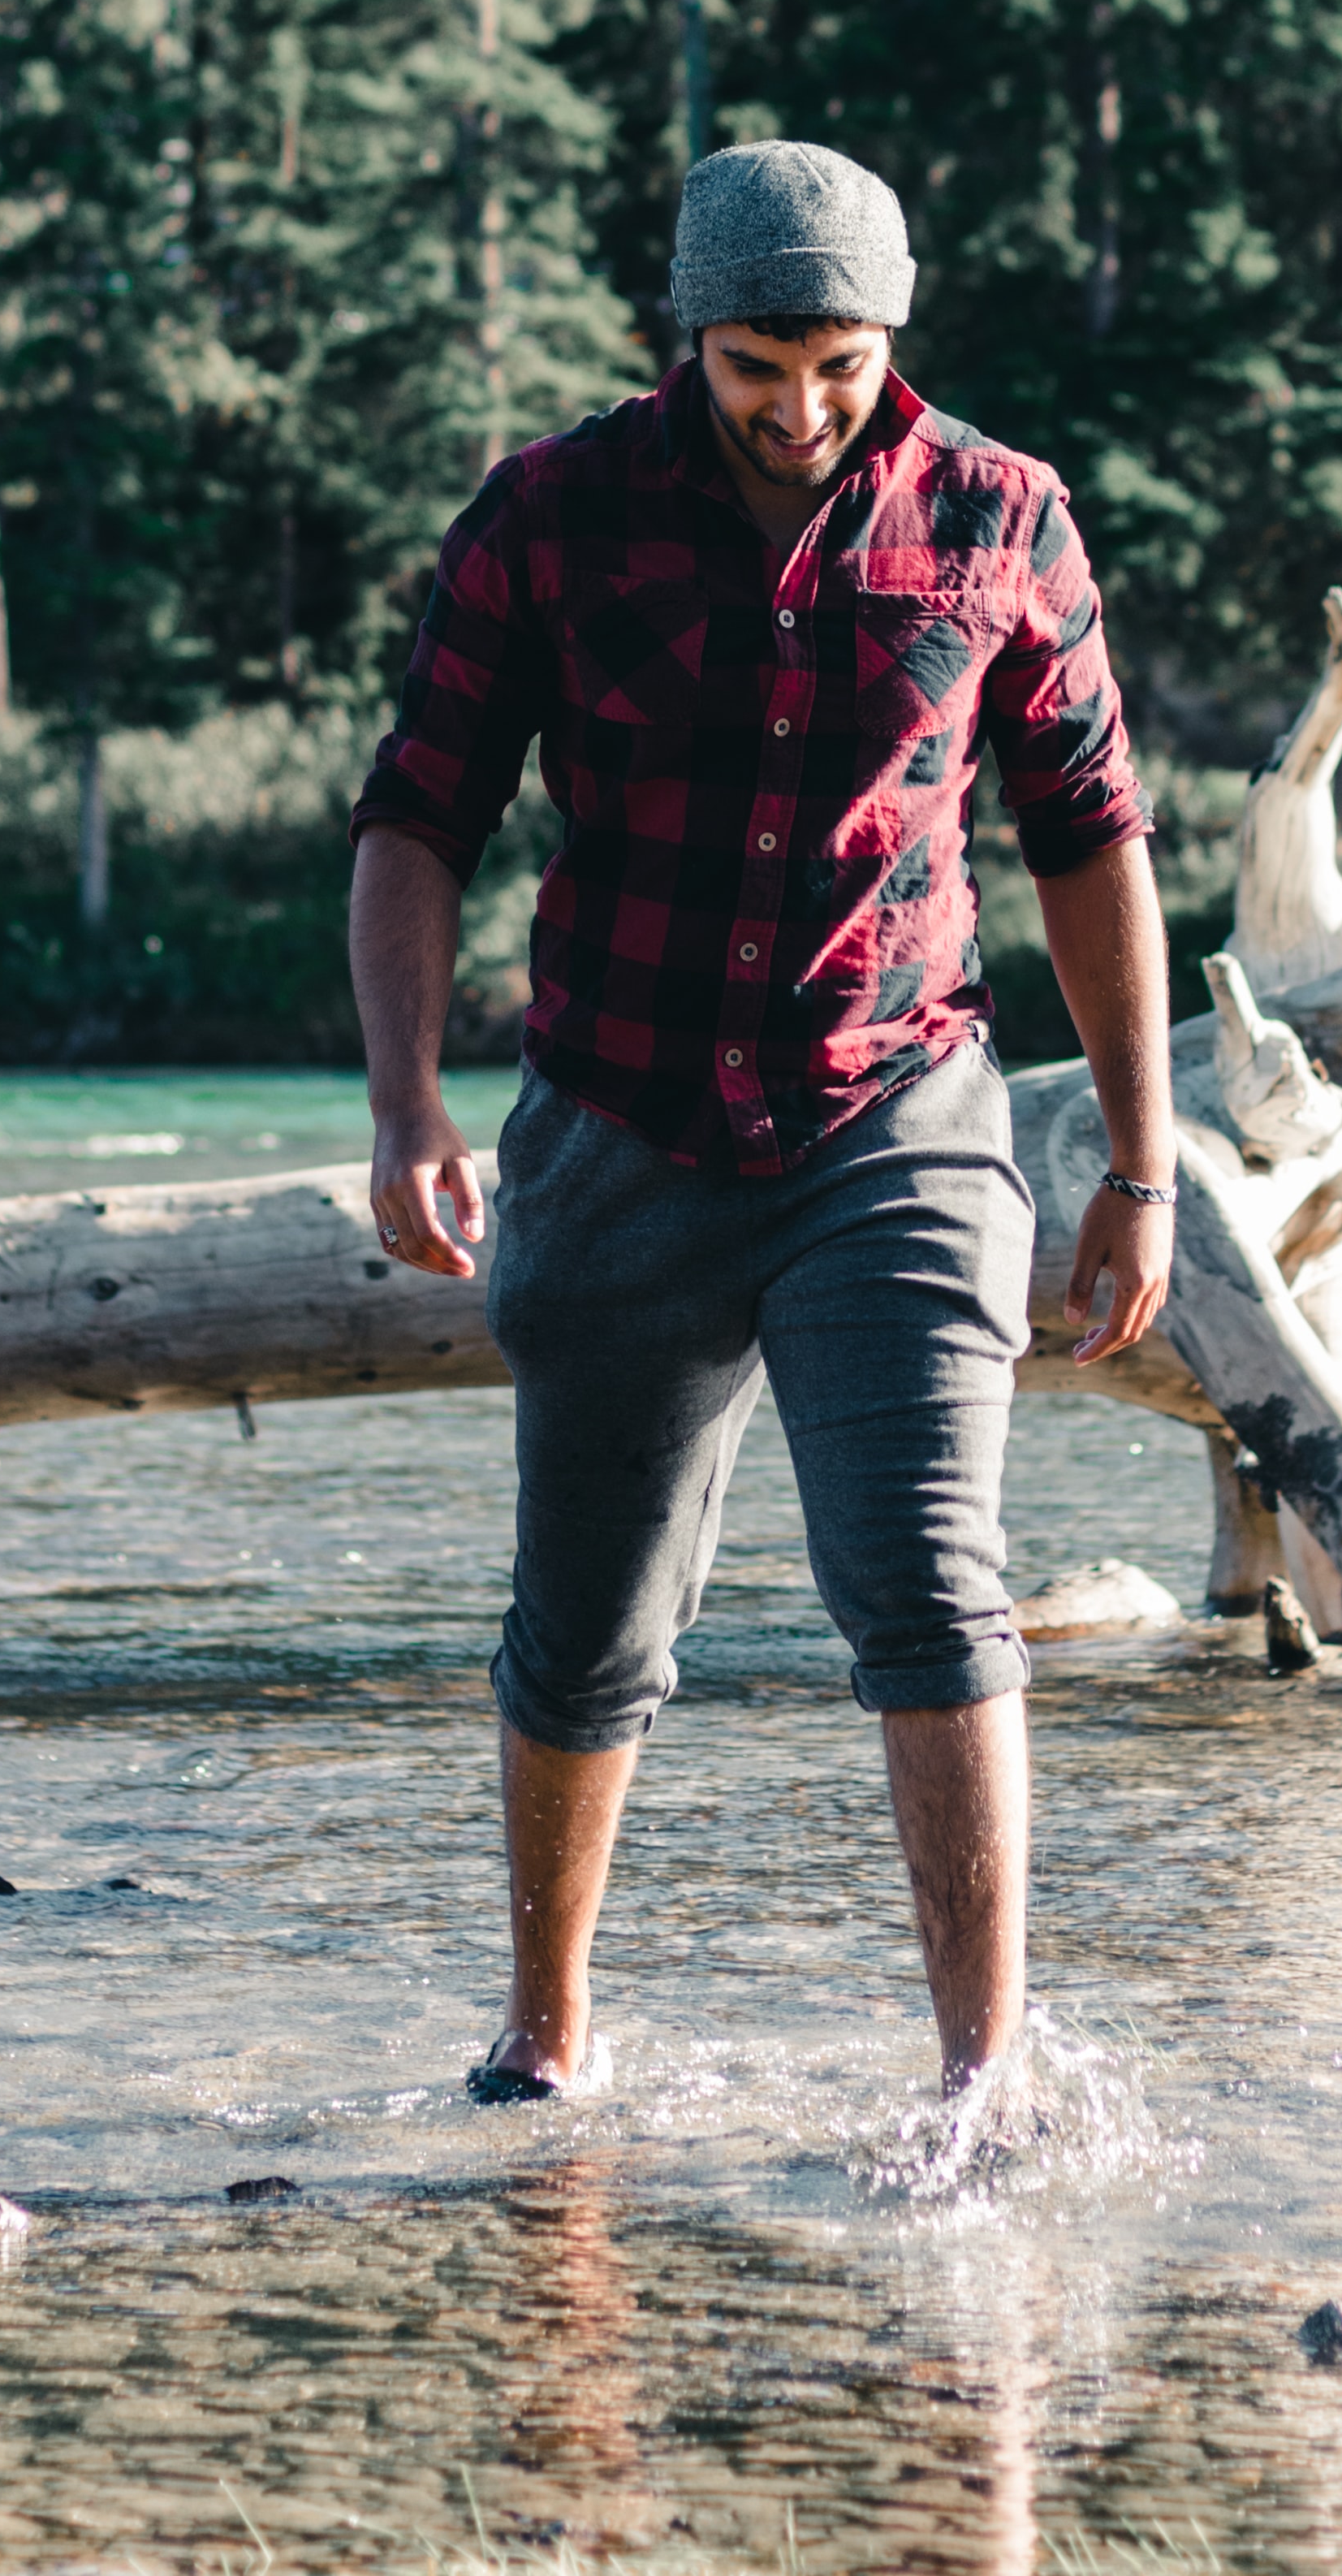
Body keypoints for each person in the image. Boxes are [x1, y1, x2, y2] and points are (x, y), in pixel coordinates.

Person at [347, 137, 1178, 2105]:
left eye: (840, 363)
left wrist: (1142, 1165)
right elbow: (417, 818)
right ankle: (547, 2037)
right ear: (688, 334)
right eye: (757, 366)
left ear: (891, 335)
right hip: (617, 1129)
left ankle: (982, 2083)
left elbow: (1096, 846)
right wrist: (404, 1100)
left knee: (928, 1576)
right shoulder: (548, 518)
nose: (802, 410)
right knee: (589, 1625)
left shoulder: (997, 517)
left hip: (891, 1120)